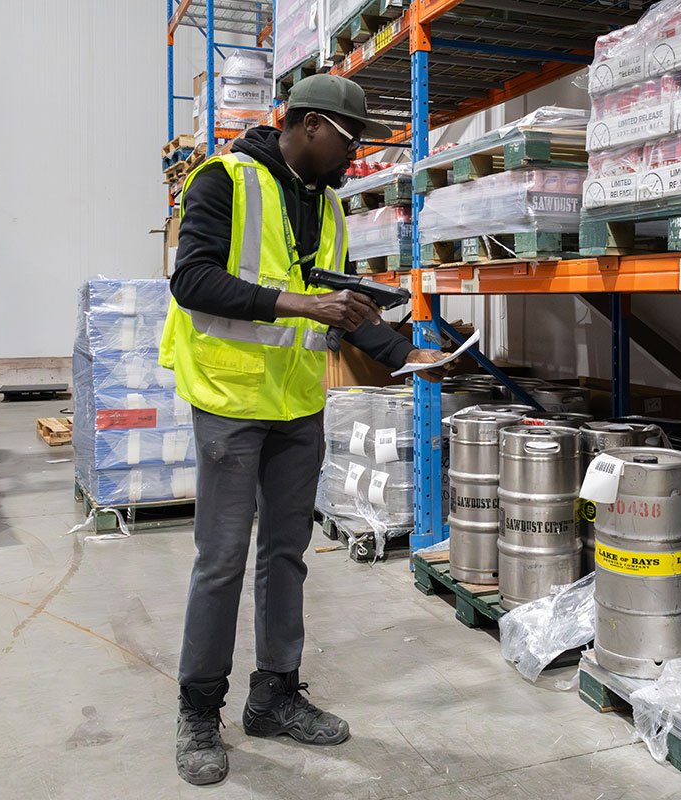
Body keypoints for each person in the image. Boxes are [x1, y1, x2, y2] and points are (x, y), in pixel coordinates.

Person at [159, 74, 445, 786]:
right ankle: (199, 711)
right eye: (347, 143)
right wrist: (299, 305)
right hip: (228, 398)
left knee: (286, 555)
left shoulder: (327, 204)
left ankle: (276, 696)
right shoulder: (223, 180)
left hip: (295, 403)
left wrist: (406, 355)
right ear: (310, 125)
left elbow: (340, 304)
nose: (352, 159)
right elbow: (191, 280)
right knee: (222, 559)